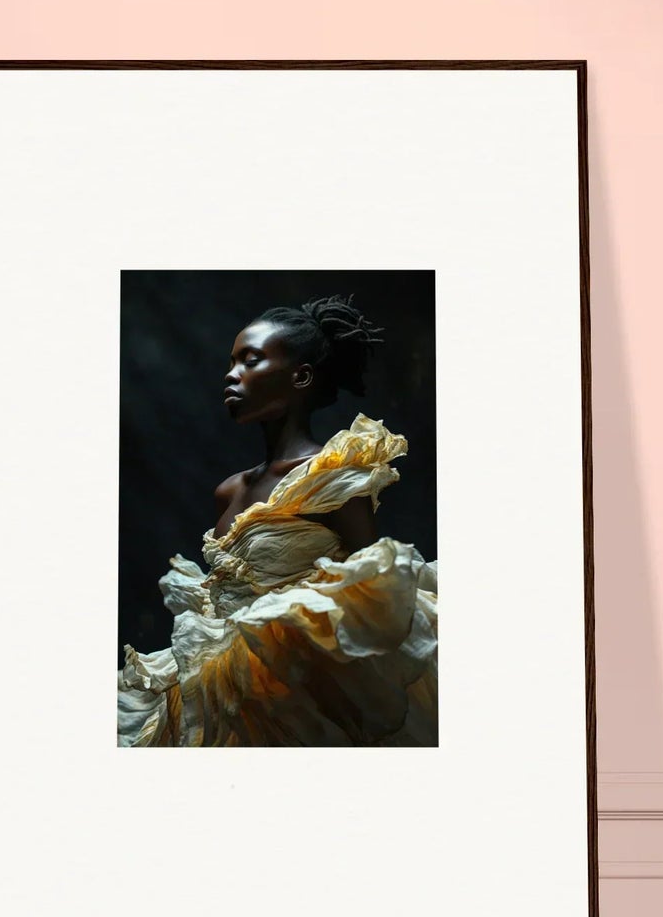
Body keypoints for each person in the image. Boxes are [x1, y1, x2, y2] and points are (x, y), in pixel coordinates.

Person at [117, 293, 438, 746]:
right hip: (224, 687)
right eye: (231, 362)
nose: (231, 375)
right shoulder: (228, 491)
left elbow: (376, 600)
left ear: (300, 376)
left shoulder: (331, 477)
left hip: (303, 693)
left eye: (250, 361)